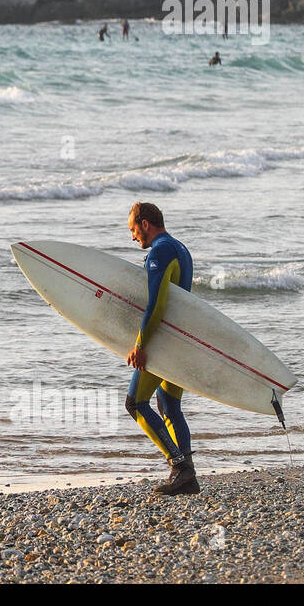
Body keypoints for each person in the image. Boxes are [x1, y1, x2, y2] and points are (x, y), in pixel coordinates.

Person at [124, 202, 199, 495]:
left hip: (164, 342)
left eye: (133, 229)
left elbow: (156, 303)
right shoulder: (180, 248)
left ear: (145, 223)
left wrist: (141, 344)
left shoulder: (160, 251)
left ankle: (180, 467)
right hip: (182, 342)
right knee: (169, 406)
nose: (132, 237)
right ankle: (187, 478)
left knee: (136, 403)